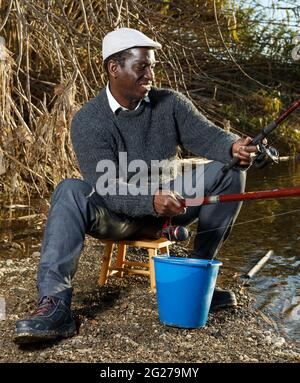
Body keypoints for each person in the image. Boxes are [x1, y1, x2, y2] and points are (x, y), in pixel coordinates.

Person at [14, 28, 258, 344]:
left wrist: (233, 147)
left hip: (174, 207)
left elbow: (208, 136)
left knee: (230, 171)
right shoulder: (88, 119)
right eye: (141, 66)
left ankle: (197, 282)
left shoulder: (170, 103)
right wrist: (150, 198)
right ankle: (55, 307)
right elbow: (106, 185)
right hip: (119, 217)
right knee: (69, 190)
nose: (150, 73)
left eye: (152, 65)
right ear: (114, 68)